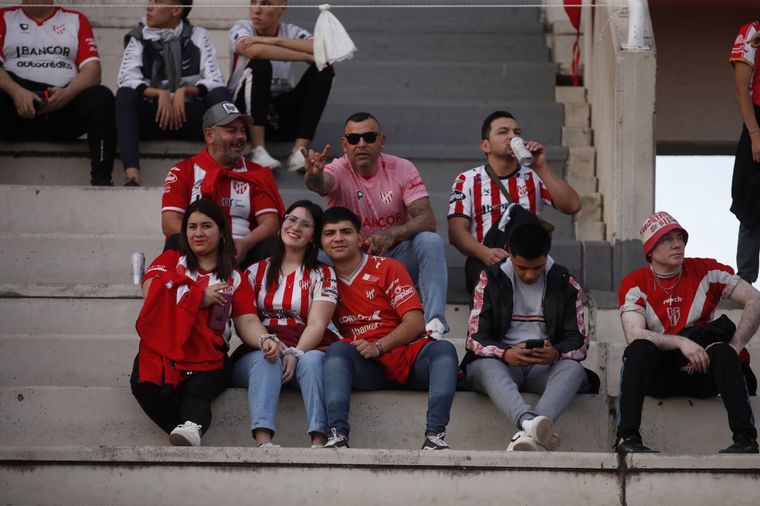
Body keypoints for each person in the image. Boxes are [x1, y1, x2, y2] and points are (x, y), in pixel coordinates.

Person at [131, 198, 273, 447]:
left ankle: (189, 431)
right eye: (192, 226)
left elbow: (247, 320)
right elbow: (151, 293)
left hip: (209, 355)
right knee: (145, 386)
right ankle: (185, 430)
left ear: (221, 232)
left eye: (206, 226)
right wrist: (198, 297)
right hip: (163, 350)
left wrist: (265, 339)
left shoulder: (235, 276)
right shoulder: (170, 260)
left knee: (197, 393)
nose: (198, 233)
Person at [615, 211, 760, 454]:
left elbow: (755, 299)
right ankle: (627, 438)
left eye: (680, 237)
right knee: (639, 349)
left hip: (701, 370)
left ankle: (746, 440)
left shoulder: (705, 269)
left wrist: (735, 347)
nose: (677, 244)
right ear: (650, 250)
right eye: (667, 239)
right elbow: (634, 334)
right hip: (661, 374)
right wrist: (681, 342)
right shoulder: (635, 282)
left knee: (724, 352)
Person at [319, 207, 459, 450]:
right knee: (337, 353)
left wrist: (379, 345)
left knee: (444, 351)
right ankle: (337, 436)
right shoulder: (321, 277)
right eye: (329, 233)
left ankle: (435, 437)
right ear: (320, 242)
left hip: (407, 357)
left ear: (359, 236)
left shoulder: (387, 267)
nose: (338, 238)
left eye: (346, 232)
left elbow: (415, 322)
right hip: (367, 366)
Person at [303, 112, 449, 339]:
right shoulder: (337, 169)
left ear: (382, 141)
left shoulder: (402, 168)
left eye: (369, 137)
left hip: (397, 257)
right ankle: (328, 329)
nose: (361, 144)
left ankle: (434, 324)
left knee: (430, 242)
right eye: (353, 139)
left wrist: (393, 233)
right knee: (320, 256)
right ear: (344, 144)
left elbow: (428, 221)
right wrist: (313, 174)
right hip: (353, 259)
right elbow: (320, 184)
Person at [461, 207, 595, 451]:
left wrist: (555, 354)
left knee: (574, 371)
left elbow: (578, 341)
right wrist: (505, 353)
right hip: (503, 364)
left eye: (537, 267)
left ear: (547, 255)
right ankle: (529, 423)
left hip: (543, 368)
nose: (530, 274)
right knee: (482, 365)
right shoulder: (489, 278)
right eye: (522, 268)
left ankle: (530, 435)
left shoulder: (566, 283)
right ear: (510, 254)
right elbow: (474, 339)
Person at [231, 200, 339, 447]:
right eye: (291, 219)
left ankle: (319, 442)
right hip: (258, 352)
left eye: (306, 224)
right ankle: (264, 442)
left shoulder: (324, 273)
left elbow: (317, 323)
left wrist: (295, 352)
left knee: (313, 361)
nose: (296, 227)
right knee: (266, 359)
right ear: (282, 223)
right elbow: (244, 321)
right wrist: (270, 344)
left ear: (314, 236)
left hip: (307, 347)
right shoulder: (253, 272)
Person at [448, 110, 581, 295]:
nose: (512, 136)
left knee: (517, 214)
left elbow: (573, 206)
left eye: (517, 132)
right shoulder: (468, 180)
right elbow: (455, 232)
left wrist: (541, 167)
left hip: (529, 260)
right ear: (485, 145)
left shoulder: (534, 175)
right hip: (488, 262)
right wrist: (484, 253)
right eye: (504, 132)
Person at [0, 0, 115, 186]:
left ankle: (102, 181)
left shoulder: (75, 20)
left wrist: (67, 93)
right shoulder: (3, 17)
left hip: (62, 110)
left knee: (102, 97)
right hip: (16, 108)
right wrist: (16, 92)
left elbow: (93, 71)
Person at [116, 0, 229, 187]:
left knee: (220, 95)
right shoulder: (138, 36)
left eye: (158, 2)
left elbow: (215, 79)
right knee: (124, 95)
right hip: (154, 118)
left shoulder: (198, 35)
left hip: (189, 117)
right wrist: (159, 94)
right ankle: (132, 176)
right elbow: (125, 79)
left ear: (176, 10)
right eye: (150, 1)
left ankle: (225, 171)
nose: (149, 6)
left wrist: (183, 91)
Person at [161, 101, 284, 267]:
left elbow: (270, 223)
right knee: (175, 242)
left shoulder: (257, 173)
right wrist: (211, 245)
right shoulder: (183, 171)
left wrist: (245, 244)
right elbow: (169, 223)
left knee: (274, 245)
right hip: (198, 251)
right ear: (209, 135)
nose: (240, 136)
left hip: (242, 251)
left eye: (242, 130)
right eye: (231, 131)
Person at [228, 0, 334, 172]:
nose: (257, 9)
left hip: (279, 112)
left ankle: (300, 151)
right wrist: (306, 57)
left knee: (325, 69)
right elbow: (255, 51)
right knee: (260, 64)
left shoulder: (291, 31)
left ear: (282, 8)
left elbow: (324, 49)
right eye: (253, 2)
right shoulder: (241, 28)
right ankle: (257, 150)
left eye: (266, 4)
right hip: (243, 112)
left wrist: (275, 40)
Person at [730, 21, 760, 283]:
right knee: (751, 200)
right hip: (758, 122)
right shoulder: (751, 31)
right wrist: (755, 133)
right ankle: (746, 280)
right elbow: (741, 89)